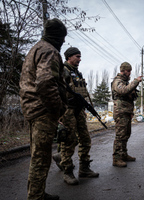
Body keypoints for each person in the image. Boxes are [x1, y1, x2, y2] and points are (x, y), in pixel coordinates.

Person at [19, 18, 67, 200]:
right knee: (41, 158)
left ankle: (38, 193)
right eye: (62, 38)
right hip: (43, 111)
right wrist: (58, 109)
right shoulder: (49, 51)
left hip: (33, 109)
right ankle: (36, 197)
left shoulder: (36, 49)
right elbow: (46, 83)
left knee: (39, 155)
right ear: (58, 37)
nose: (63, 42)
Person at [52, 47, 99, 185]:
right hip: (67, 111)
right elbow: (56, 91)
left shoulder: (76, 72)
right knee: (69, 142)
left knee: (85, 139)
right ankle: (67, 171)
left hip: (78, 110)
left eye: (80, 56)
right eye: (77, 56)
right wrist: (59, 113)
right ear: (69, 57)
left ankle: (84, 168)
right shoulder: (63, 71)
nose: (80, 59)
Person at [111, 62, 142, 167]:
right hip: (121, 112)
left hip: (126, 112)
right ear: (123, 70)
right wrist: (135, 82)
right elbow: (123, 91)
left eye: (130, 71)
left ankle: (123, 154)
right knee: (120, 135)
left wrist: (131, 112)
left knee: (126, 134)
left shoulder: (125, 82)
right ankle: (116, 158)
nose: (129, 73)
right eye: (128, 71)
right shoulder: (118, 81)